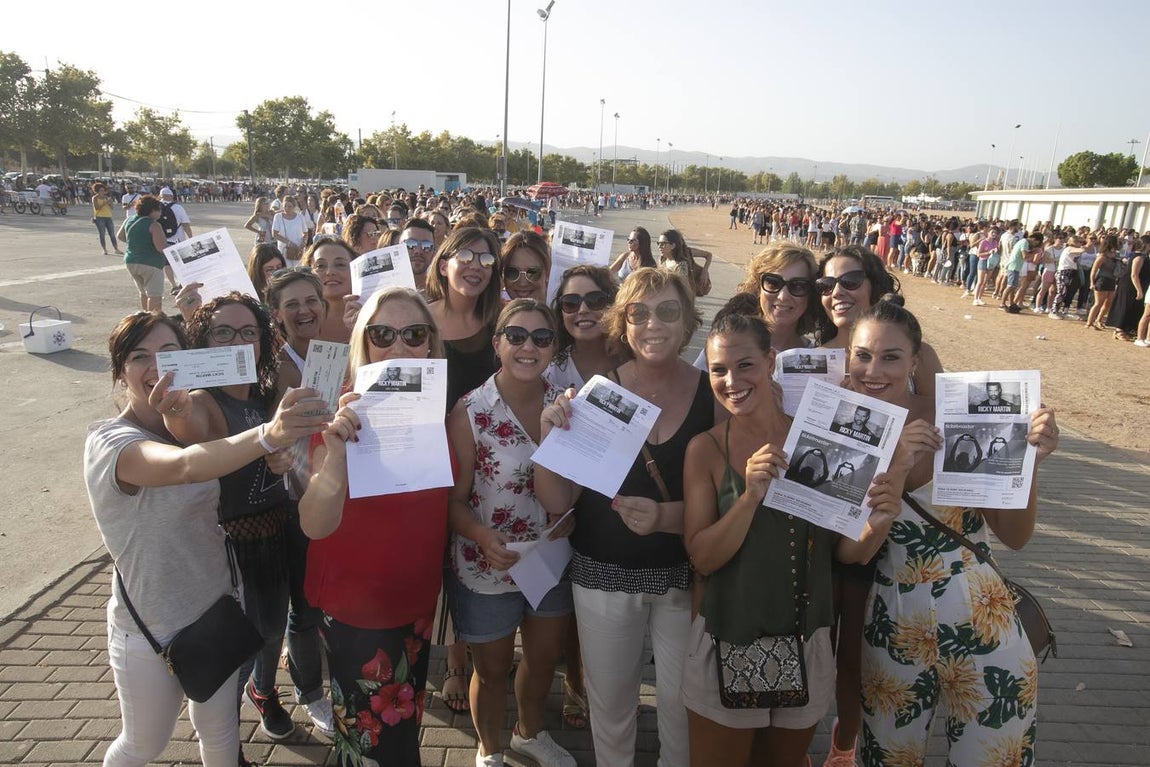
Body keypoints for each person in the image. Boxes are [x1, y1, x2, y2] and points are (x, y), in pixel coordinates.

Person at [84, 311, 326, 767]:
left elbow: (219, 455)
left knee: (219, 735)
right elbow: (186, 466)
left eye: (170, 354)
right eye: (140, 357)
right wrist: (269, 435)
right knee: (145, 745)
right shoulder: (110, 441)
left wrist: (275, 458)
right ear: (120, 372)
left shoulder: (189, 420)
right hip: (150, 626)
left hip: (214, 610)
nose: (156, 366)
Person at [838, 296, 1059, 766]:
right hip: (895, 627)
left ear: (915, 362)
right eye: (862, 355)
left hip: (984, 620)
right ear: (848, 357)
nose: (873, 369)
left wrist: (1029, 465)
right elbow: (851, 554)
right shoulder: (841, 434)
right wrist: (895, 468)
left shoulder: (960, 423)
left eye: (891, 357)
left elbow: (1014, 536)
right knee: (888, 760)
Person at [536, 267, 717, 767]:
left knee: (683, 710)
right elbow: (556, 499)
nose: (652, 324)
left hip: (685, 578)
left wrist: (666, 516)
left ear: (687, 323)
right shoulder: (600, 393)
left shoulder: (712, 395)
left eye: (667, 311)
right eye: (638, 312)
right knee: (611, 709)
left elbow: (731, 499)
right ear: (623, 322)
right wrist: (553, 436)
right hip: (603, 575)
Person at [682, 310, 863, 767]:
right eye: (718, 370)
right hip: (729, 635)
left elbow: (843, 550)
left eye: (744, 365)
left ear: (770, 361)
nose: (731, 381)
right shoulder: (705, 448)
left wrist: (879, 508)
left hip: (806, 637)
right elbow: (702, 557)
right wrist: (748, 498)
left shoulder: (816, 439)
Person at [161, 292, 330, 743]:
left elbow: (289, 432)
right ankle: (223, 738)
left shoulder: (263, 391)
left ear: (261, 340)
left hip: (275, 532)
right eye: (223, 331)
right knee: (236, 646)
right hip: (230, 548)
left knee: (272, 630)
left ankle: (265, 690)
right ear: (205, 339)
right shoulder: (204, 399)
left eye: (248, 332)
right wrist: (175, 412)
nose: (237, 340)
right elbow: (191, 428)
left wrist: (283, 456)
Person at [299, 287, 450, 767]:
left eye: (415, 334)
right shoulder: (334, 416)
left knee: (401, 727)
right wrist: (337, 457)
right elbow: (314, 524)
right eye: (383, 334)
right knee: (367, 740)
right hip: (356, 604)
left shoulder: (440, 415)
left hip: (415, 600)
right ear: (361, 343)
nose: (400, 347)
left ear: (431, 343)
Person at [448, 299, 577, 767]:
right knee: (493, 668)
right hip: (488, 562)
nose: (528, 347)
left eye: (541, 338)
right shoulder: (470, 411)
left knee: (542, 660)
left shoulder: (566, 405)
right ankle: (490, 751)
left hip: (549, 561)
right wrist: (481, 535)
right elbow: (454, 500)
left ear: (553, 347)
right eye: (516, 336)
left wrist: (572, 513)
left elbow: (578, 482)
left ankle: (529, 732)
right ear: (497, 343)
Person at [738, 241, 820, 352]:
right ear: (758, 287)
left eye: (797, 286)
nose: (783, 296)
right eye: (773, 283)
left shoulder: (819, 361)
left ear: (811, 295)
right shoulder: (726, 346)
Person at [121, 195, 170, 313]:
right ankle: (154, 322)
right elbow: (160, 247)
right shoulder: (154, 225)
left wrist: (137, 242)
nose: (160, 213)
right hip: (151, 263)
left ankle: (144, 318)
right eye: (159, 209)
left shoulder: (130, 219)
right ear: (152, 210)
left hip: (131, 261)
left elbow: (120, 236)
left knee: (143, 293)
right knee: (154, 295)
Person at [301, 239, 355, 343]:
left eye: (340, 264)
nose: (330, 272)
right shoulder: (298, 319)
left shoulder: (372, 316)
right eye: (320, 266)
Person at [657, 229, 712, 295]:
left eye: (663, 244)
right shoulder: (662, 259)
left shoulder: (682, 264)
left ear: (673, 245)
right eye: (658, 243)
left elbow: (683, 290)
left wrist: (705, 271)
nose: (659, 246)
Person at [501, 230, 551, 303]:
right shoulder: (495, 312)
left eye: (533, 273)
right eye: (512, 272)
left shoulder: (567, 312)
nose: (522, 283)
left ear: (548, 272)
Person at [1085, 234, 1119, 333]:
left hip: (1112, 280)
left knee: (1108, 303)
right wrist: (1092, 282)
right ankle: (1089, 323)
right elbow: (1094, 270)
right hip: (1102, 280)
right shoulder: (1102, 256)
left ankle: (1099, 320)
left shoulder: (1114, 255)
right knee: (1098, 303)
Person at [273, 196, 309, 267]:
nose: (287, 208)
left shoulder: (300, 217)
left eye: (289, 206)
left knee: (297, 271)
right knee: (286, 271)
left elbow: (305, 233)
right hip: (284, 250)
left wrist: (303, 244)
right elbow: (275, 234)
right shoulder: (278, 217)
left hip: (297, 250)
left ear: (294, 207)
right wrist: (289, 243)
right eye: (285, 206)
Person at [92, 183, 122, 256]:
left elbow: (112, 208)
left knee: (112, 234)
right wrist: (105, 203)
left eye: (103, 190)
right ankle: (104, 249)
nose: (102, 192)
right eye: (100, 190)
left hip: (108, 216)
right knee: (102, 234)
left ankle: (116, 249)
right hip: (99, 217)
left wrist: (110, 203)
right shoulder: (95, 198)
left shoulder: (107, 197)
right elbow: (97, 208)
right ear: (97, 191)